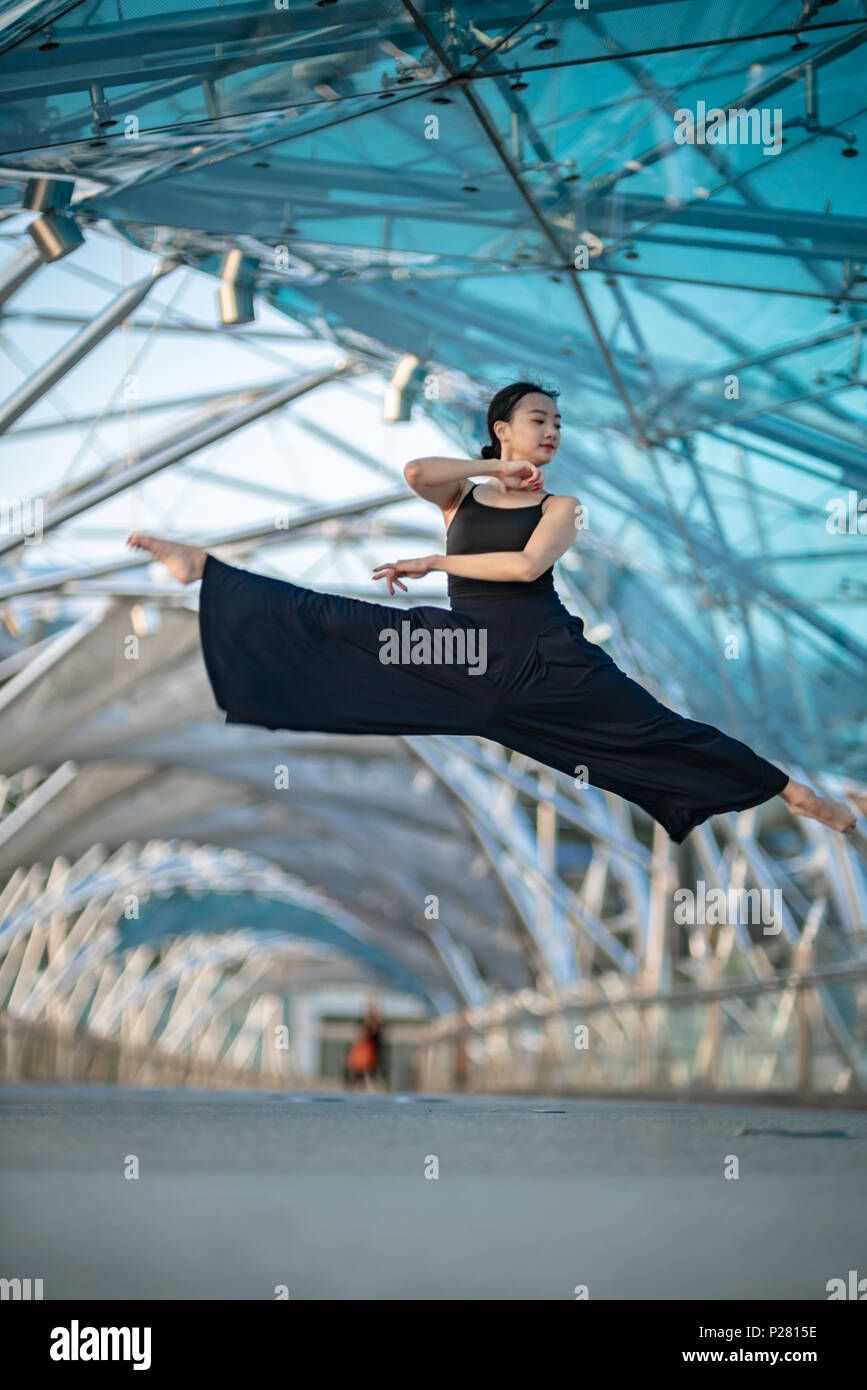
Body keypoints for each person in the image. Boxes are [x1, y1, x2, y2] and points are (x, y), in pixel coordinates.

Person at [125, 380, 857, 844]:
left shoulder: (562, 505)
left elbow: (524, 567)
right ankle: (203, 569)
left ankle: (793, 793)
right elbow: (415, 472)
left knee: (664, 732)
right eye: (538, 420)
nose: (551, 433)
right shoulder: (464, 494)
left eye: (557, 425)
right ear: (502, 428)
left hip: (547, 661)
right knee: (329, 616)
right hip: (461, 655)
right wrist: (486, 469)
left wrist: (435, 561)